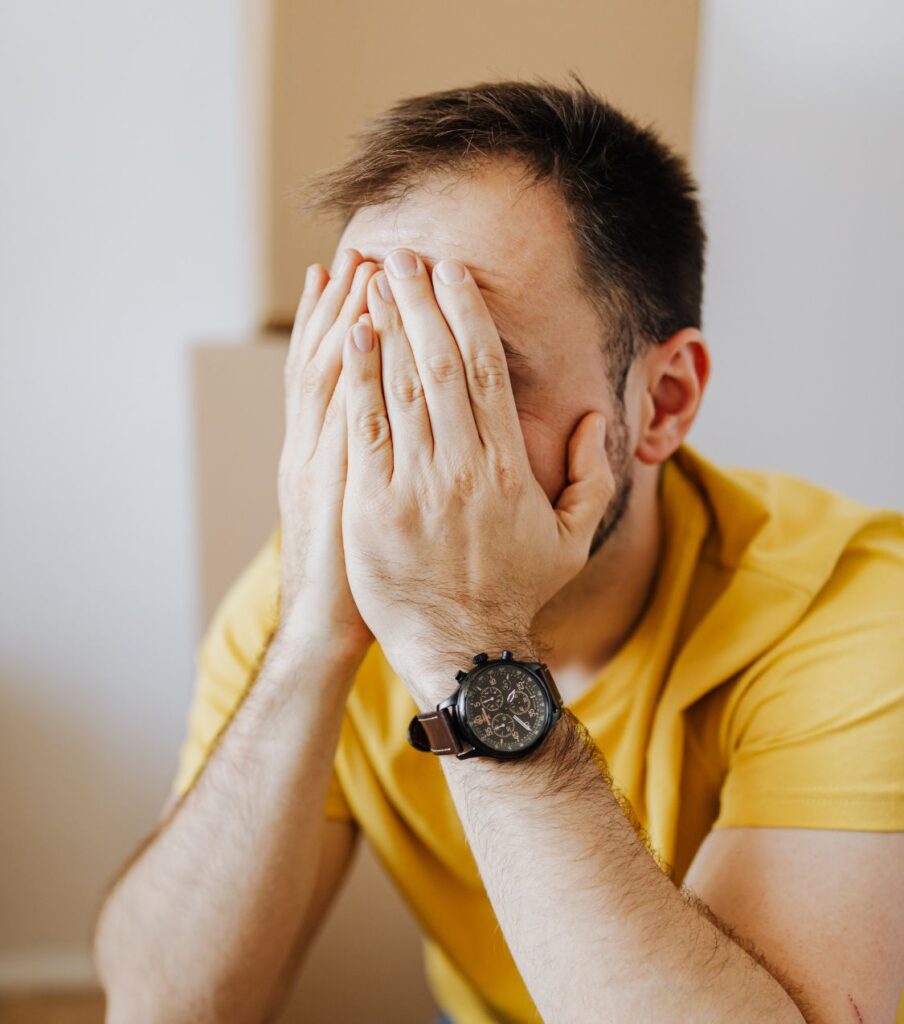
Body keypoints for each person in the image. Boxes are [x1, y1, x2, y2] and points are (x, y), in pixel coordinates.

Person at [93, 77, 904, 1024]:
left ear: (666, 401)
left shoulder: (856, 616)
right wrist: (313, 638)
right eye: (369, 360)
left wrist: (463, 644)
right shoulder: (306, 597)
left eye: (472, 378)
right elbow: (161, 1007)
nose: (395, 437)